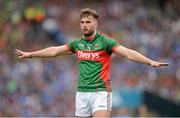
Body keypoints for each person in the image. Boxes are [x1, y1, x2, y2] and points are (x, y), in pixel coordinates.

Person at [15, 8, 169, 117]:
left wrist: (149, 62)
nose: (84, 25)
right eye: (82, 22)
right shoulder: (77, 44)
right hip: (82, 92)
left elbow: (128, 53)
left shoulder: (106, 42)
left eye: (88, 21)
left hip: (100, 92)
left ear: (96, 24)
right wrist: (31, 54)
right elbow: (54, 51)